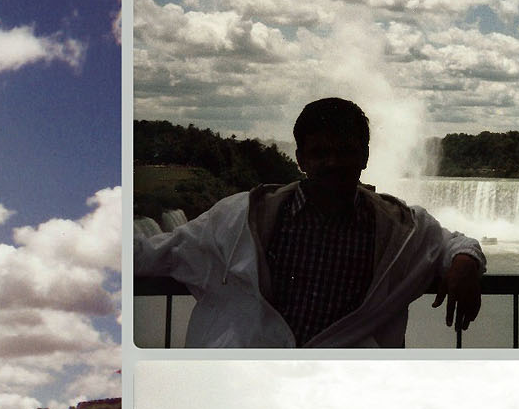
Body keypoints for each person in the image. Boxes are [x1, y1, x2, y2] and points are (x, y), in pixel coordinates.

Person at [134, 97, 485, 347]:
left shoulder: (401, 229)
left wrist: (466, 263)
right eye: (320, 153)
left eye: (346, 151)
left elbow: (456, 242)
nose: (333, 163)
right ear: (300, 158)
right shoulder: (239, 217)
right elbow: (155, 252)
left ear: (364, 156)